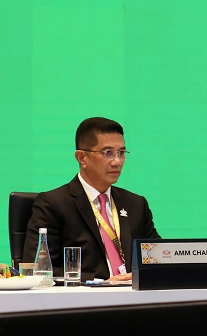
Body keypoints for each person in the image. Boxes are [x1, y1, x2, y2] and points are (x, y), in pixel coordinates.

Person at [23, 117, 160, 282]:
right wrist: (101, 282)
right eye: (107, 153)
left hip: (133, 298)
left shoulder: (136, 204)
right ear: (82, 158)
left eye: (121, 153)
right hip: (85, 302)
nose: (117, 161)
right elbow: (37, 269)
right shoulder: (53, 204)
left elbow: (159, 259)